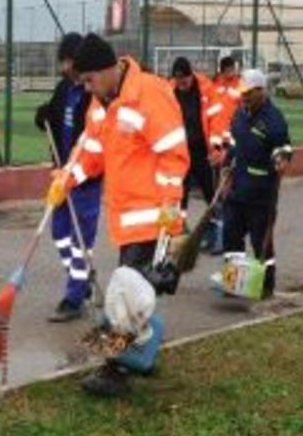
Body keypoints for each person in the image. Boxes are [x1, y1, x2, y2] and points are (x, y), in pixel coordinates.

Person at [47, 33, 190, 397]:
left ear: (108, 69)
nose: (87, 88)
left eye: (89, 80)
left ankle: (114, 372)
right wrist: (68, 178)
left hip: (152, 220)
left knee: (123, 294)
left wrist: (170, 217)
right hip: (125, 220)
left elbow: (173, 157)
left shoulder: (150, 94)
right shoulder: (100, 102)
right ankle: (141, 355)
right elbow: (91, 150)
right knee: (136, 293)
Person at [35, 32, 102, 322]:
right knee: (59, 233)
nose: (64, 67)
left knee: (80, 238)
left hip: (85, 177)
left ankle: (75, 297)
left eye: (68, 61)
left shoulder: (93, 93)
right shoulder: (65, 87)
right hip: (62, 173)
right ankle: (82, 276)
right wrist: (44, 116)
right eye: (62, 61)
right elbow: (52, 113)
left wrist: (80, 170)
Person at [222, 69, 292, 299]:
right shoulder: (239, 114)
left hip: (261, 194)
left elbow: (283, 147)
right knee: (231, 236)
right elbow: (233, 140)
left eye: (249, 93)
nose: (244, 97)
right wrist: (227, 157)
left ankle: (266, 285)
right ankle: (234, 283)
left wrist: (281, 157)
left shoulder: (274, 119)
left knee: (261, 241)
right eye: (243, 93)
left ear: (261, 91)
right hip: (237, 189)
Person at [170, 57, 230, 252]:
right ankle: (181, 236)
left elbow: (217, 120)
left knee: (211, 194)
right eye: (179, 82)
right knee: (180, 196)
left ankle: (217, 234)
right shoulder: (169, 91)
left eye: (185, 81)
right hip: (180, 153)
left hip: (202, 153)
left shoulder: (206, 89)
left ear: (191, 75)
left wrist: (216, 147)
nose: (182, 86)